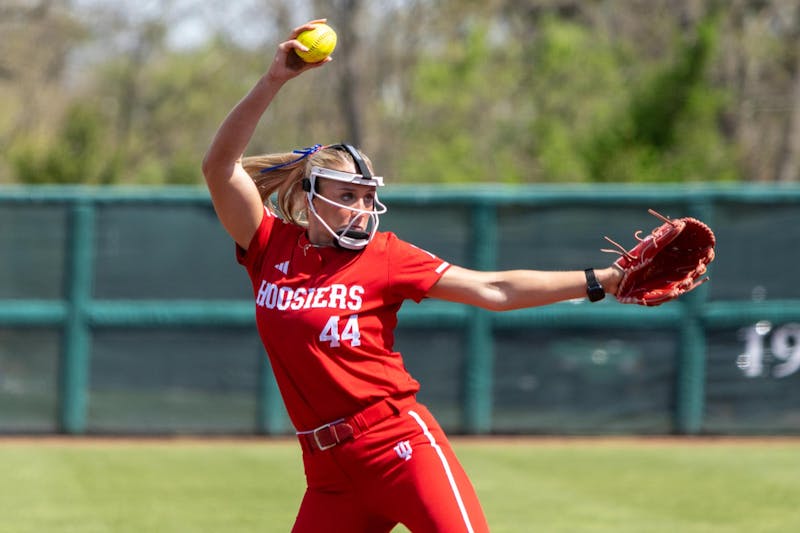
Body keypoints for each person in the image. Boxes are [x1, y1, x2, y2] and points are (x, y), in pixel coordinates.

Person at [202, 18, 623, 533]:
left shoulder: (386, 255)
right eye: (347, 196)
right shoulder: (270, 245)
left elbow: (494, 288)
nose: (362, 208)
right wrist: (274, 80)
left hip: (398, 447)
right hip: (328, 473)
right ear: (312, 196)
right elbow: (221, 167)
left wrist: (604, 278)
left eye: (367, 196)